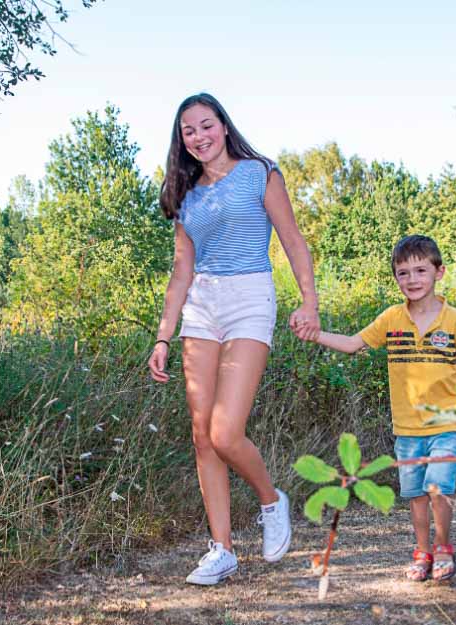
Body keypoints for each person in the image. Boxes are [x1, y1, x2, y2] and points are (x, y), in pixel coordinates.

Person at [148, 93, 320, 585]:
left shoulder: (260, 172)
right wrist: (164, 336)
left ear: (223, 125)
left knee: (226, 431)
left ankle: (271, 499)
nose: (198, 137)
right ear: (181, 140)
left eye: (206, 125)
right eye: (188, 131)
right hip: (202, 307)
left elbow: (291, 239)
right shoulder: (186, 194)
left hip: (250, 296)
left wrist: (308, 302)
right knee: (202, 435)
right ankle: (221, 549)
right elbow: (181, 272)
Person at [302, 234, 456, 582]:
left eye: (420, 270)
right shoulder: (391, 318)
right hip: (407, 429)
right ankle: (422, 551)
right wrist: (316, 334)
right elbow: (354, 344)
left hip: (448, 423)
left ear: (439, 272)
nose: (412, 280)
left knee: (438, 488)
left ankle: (444, 548)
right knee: (415, 495)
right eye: (403, 273)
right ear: (396, 277)